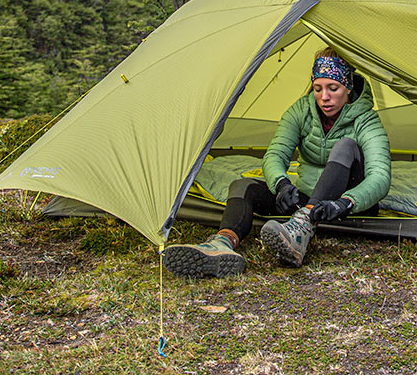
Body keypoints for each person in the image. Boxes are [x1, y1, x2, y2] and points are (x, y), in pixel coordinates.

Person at [162, 48, 392, 277]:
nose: (324, 97)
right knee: (243, 186)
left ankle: (301, 229)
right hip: (307, 200)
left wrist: (345, 203)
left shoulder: (366, 119)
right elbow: (275, 155)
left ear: (348, 88)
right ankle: (221, 244)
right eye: (318, 88)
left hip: (346, 205)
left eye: (333, 88)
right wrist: (281, 184)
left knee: (346, 146)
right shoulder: (301, 111)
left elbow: (380, 176)